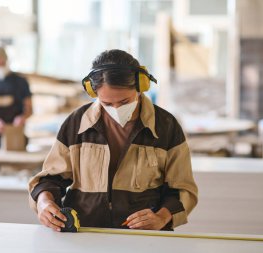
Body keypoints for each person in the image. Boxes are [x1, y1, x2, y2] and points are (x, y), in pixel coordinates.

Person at [28, 49, 198, 231]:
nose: (116, 109)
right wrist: (44, 202)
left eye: (125, 102)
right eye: (107, 104)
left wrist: (161, 217)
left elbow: (183, 189)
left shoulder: (166, 126)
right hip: (87, 234)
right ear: (94, 93)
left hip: (145, 238)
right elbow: (51, 178)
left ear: (141, 86)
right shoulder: (77, 123)